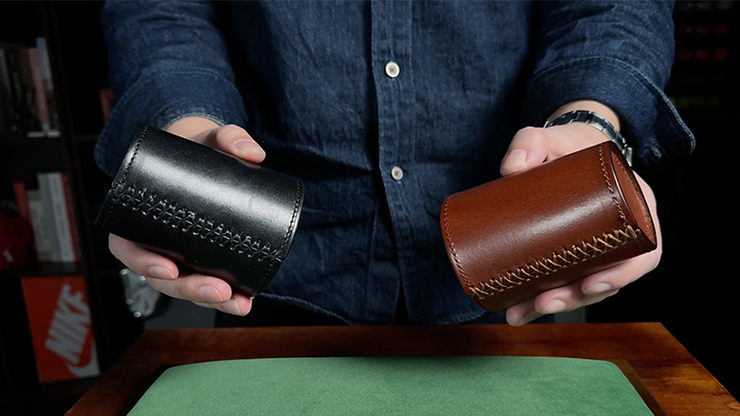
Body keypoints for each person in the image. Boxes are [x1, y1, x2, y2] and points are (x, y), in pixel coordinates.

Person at [94, 1, 694, 327]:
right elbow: (162, 11)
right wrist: (184, 130)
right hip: (275, 262)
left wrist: (589, 119)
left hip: (506, 251)